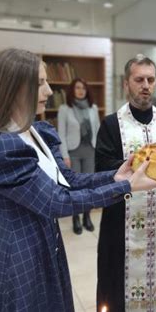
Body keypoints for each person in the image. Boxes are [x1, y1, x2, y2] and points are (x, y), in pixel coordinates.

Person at [0, 48, 156, 312]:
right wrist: (125, 187)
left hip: (47, 242)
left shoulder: (35, 132)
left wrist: (114, 176)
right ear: (14, 89)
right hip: (21, 253)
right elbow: (56, 202)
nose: (48, 91)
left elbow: (66, 180)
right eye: (40, 84)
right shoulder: (2, 146)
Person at [95, 54, 156, 312]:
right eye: (139, 79)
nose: (145, 85)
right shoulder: (111, 125)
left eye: (150, 79)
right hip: (121, 222)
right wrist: (137, 167)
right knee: (118, 289)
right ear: (126, 84)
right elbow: (101, 167)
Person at [57, 78, 100, 235]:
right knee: (75, 187)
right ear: (72, 90)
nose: (81, 91)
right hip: (73, 152)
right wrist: (64, 155)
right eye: (77, 88)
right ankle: (76, 218)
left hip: (90, 150)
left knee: (89, 186)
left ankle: (87, 217)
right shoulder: (64, 109)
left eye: (83, 88)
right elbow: (60, 133)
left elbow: (97, 130)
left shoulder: (93, 108)